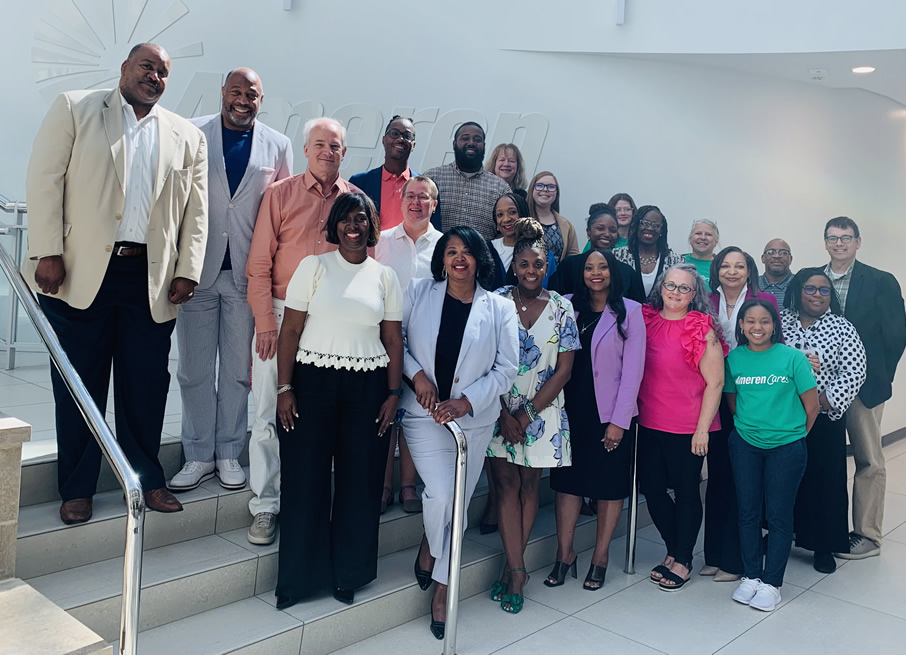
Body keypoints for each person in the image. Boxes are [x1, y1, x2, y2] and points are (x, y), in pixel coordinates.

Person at [24, 43, 207, 523]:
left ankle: (147, 480)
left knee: (145, 384)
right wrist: (48, 251)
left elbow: (196, 210)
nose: (154, 76)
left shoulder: (187, 135)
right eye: (147, 66)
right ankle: (77, 487)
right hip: (81, 271)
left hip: (150, 278)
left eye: (163, 72)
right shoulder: (76, 108)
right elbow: (45, 180)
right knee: (80, 384)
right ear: (125, 68)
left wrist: (187, 269)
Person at [273, 192, 403, 610]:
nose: (353, 226)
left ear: (371, 226)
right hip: (311, 384)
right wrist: (284, 388)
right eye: (346, 219)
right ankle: (298, 580)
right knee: (304, 479)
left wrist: (393, 394)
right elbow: (290, 331)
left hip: (369, 388)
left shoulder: (384, 277)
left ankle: (349, 574)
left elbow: (392, 339)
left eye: (361, 219)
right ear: (334, 225)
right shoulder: (313, 267)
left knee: (360, 482)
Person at [170, 68, 293, 494]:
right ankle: (198, 454)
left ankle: (227, 452)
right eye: (236, 91)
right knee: (194, 369)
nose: (243, 100)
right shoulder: (191, 132)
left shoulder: (278, 145)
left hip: (247, 278)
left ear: (261, 99)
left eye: (251, 94)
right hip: (196, 274)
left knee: (239, 372)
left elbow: (281, 214)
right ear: (223, 92)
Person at [244, 117, 361, 545]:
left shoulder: (356, 202)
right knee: (266, 413)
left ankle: (307, 504)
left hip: (331, 323)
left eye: (335, 146)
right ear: (306, 149)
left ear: (344, 152)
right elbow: (259, 265)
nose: (328, 152)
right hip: (279, 317)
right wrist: (265, 324)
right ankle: (265, 505)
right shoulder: (280, 194)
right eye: (320, 144)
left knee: (318, 416)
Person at [401, 227, 518, 639]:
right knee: (441, 497)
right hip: (425, 415)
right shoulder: (419, 292)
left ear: (479, 258)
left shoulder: (500, 308)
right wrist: (417, 375)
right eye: (451, 251)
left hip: (473, 422)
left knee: (458, 506)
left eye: (467, 252)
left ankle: (442, 588)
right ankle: (434, 547)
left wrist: (467, 401)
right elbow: (397, 341)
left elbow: (506, 369)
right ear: (442, 259)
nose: (459, 259)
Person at [486, 219, 579, 613]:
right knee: (504, 485)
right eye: (523, 264)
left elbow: (564, 371)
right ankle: (516, 569)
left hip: (540, 411)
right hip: (497, 408)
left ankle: (514, 569)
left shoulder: (562, 307)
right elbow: (482, 360)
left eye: (537, 264)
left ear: (547, 266)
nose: (530, 271)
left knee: (528, 487)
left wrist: (524, 416)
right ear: (514, 266)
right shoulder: (495, 301)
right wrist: (503, 412)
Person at [546, 248, 645, 591]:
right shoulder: (566, 304)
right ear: (582, 273)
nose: (596, 272)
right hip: (568, 409)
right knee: (567, 485)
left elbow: (633, 372)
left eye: (603, 267)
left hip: (609, 414)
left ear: (613, 272)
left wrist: (619, 421)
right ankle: (564, 554)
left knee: (608, 487)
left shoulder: (630, 311)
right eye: (589, 267)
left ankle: (600, 557)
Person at [725, 299, 819, 612]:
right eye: (750, 321)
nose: (757, 327)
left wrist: (792, 435)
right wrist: (752, 428)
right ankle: (751, 575)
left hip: (786, 447)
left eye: (764, 321)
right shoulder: (734, 359)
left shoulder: (792, 358)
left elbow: (812, 407)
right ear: (741, 325)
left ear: (774, 325)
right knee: (748, 512)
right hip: (745, 445)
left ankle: (772, 583)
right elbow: (733, 401)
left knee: (779, 516)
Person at [822, 217, 906, 559]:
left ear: (858, 242)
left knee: (869, 459)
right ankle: (820, 528)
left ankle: (867, 535)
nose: (839, 243)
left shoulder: (880, 281)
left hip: (864, 387)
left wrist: (879, 376)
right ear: (825, 242)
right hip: (821, 388)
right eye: (832, 238)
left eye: (846, 238)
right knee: (822, 460)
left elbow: (896, 335)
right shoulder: (814, 279)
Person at [638, 264, 726, 591]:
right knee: (653, 489)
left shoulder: (701, 328)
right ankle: (674, 548)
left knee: (687, 491)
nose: (675, 292)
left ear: (694, 294)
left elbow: (716, 383)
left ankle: (683, 559)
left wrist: (702, 430)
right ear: (661, 287)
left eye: (684, 288)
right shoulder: (646, 321)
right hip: (650, 422)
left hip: (689, 426)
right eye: (670, 285)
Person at [781, 268, 866, 573]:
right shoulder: (780, 321)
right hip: (781, 416)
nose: (817, 295)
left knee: (824, 481)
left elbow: (854, 371)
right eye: (810, 288)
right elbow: (764, 354)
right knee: (782, 479)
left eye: (824, 290)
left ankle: (823, 545)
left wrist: (819, 402)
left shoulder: (842, 327)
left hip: (824, 418)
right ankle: (780, 534)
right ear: (797, 291)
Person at [374, 176, 442, 514]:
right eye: (411, 196)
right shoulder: (381, 241)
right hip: (383, 338)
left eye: (424, 197)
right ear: (401, 202)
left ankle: (409, 485)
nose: (416, 203)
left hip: (426, 342)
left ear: (434, 204)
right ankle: (384, 484)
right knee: (385, 412)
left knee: (415, 413)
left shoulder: (444, 245)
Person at [423, 122, 510, 239]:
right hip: (435, 251)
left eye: (477, 140)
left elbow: (506, 234)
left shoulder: (501, 188)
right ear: (454, 144)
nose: (471, 143)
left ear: (484, 146)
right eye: (465, 138)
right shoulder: (431, 179)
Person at [549, 203, 645, 303]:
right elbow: (554, 301)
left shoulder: (627, 272)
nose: (607, 234)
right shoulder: (569, 266)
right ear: (588, 232)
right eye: (600, 228)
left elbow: (637, 306)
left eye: (612, 230)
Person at [349, 115, 418, 230]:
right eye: (394, 134)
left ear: (413, 145)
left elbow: (434, 233)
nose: (400, 139)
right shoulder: (359, 182)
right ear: (384, 140)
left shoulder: (424, 186)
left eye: (407, 136)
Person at [709, 246, 779, 351]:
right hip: (712, 360)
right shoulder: (705, 301)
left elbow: (777, 340)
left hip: (754, 360)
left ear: (748, 272)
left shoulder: (767, 300)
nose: (732, 272)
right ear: (717, 270)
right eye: (725, 266)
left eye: (740, 267)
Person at [613, 205, 682, 296]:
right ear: (636, 225)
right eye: (645, 223)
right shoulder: (618, 255)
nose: (650, 228)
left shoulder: (675, 260)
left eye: (656, 225)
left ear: (661, 230)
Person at [525, 171, 579, 265]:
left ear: (556, 193)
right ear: (532, 189)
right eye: (539, 185)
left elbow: (573, 257)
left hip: (556, 274)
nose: (545, 190)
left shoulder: (566, 226)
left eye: (551, 187)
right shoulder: (520, 219)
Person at [759, 239, 794, 309]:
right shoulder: (750, 284)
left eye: (783, 252)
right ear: (763, 258)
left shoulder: (800, 285)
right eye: (771, 252)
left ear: (790, 259)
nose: (777, 256)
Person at [683, 220, 720, 285]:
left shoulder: (720, 266)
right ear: (690, 239)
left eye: (708, 234)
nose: (703, 238)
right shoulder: (677, 261)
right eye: (698, 233)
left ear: (716, 241)